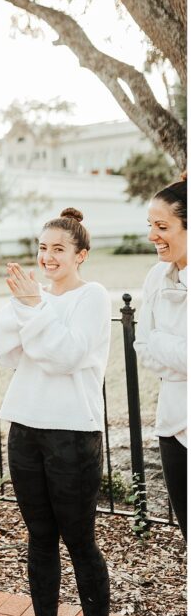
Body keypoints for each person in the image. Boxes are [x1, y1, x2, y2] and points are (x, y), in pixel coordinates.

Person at [0, 208, 112, 616]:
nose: (47, 257)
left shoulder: (92, 297)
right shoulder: (33, 298)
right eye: (43, 248)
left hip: (72, 435)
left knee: (79, 538)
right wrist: (31, 311)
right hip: (24, 427)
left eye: (58, 249)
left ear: (80, 255)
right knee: (40, 537)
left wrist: (34, 312)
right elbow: (6, 351)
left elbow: (64, 356)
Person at [134, 176, 187, 540]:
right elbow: (142, 347)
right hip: (173, 424)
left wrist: (161, 340)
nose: (153, 235)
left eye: (162, 226)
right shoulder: (156, 276)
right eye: (150, 226)